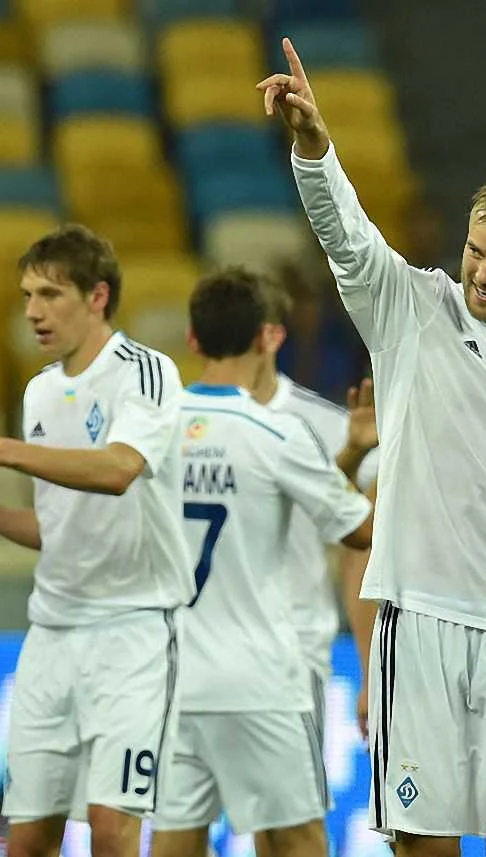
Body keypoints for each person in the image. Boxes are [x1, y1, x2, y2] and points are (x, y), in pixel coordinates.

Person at [258, 39, 486, 857]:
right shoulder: (412, 311)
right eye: (476, 252)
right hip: (422, 626)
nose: (483, 273)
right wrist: (315, 147)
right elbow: (347, 237)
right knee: (429, 849)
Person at [0, 224, 193, 857]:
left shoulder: (145, 372)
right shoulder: (39, 390)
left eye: (50, 294)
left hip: (133, 633)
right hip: (51, 637)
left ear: (97, 297)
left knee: (112, 830)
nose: (33, 311)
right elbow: (59, 530)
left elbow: (120, 469)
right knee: (29, 839)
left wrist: (4, 452)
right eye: (27, 295)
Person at [150, 267, 373, 857]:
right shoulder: (279, 433)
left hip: (175, 673)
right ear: (265, 337)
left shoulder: (150, 432)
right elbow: (359, 531)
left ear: (193, 340)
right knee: (298, 838)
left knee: (174, 840)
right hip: (264, 673)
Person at [251, 280, 380, 749]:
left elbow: (364, 538)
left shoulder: (326, 423)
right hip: (200, 656)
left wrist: (371, 671)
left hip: (294, 651)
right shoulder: (176, 423)